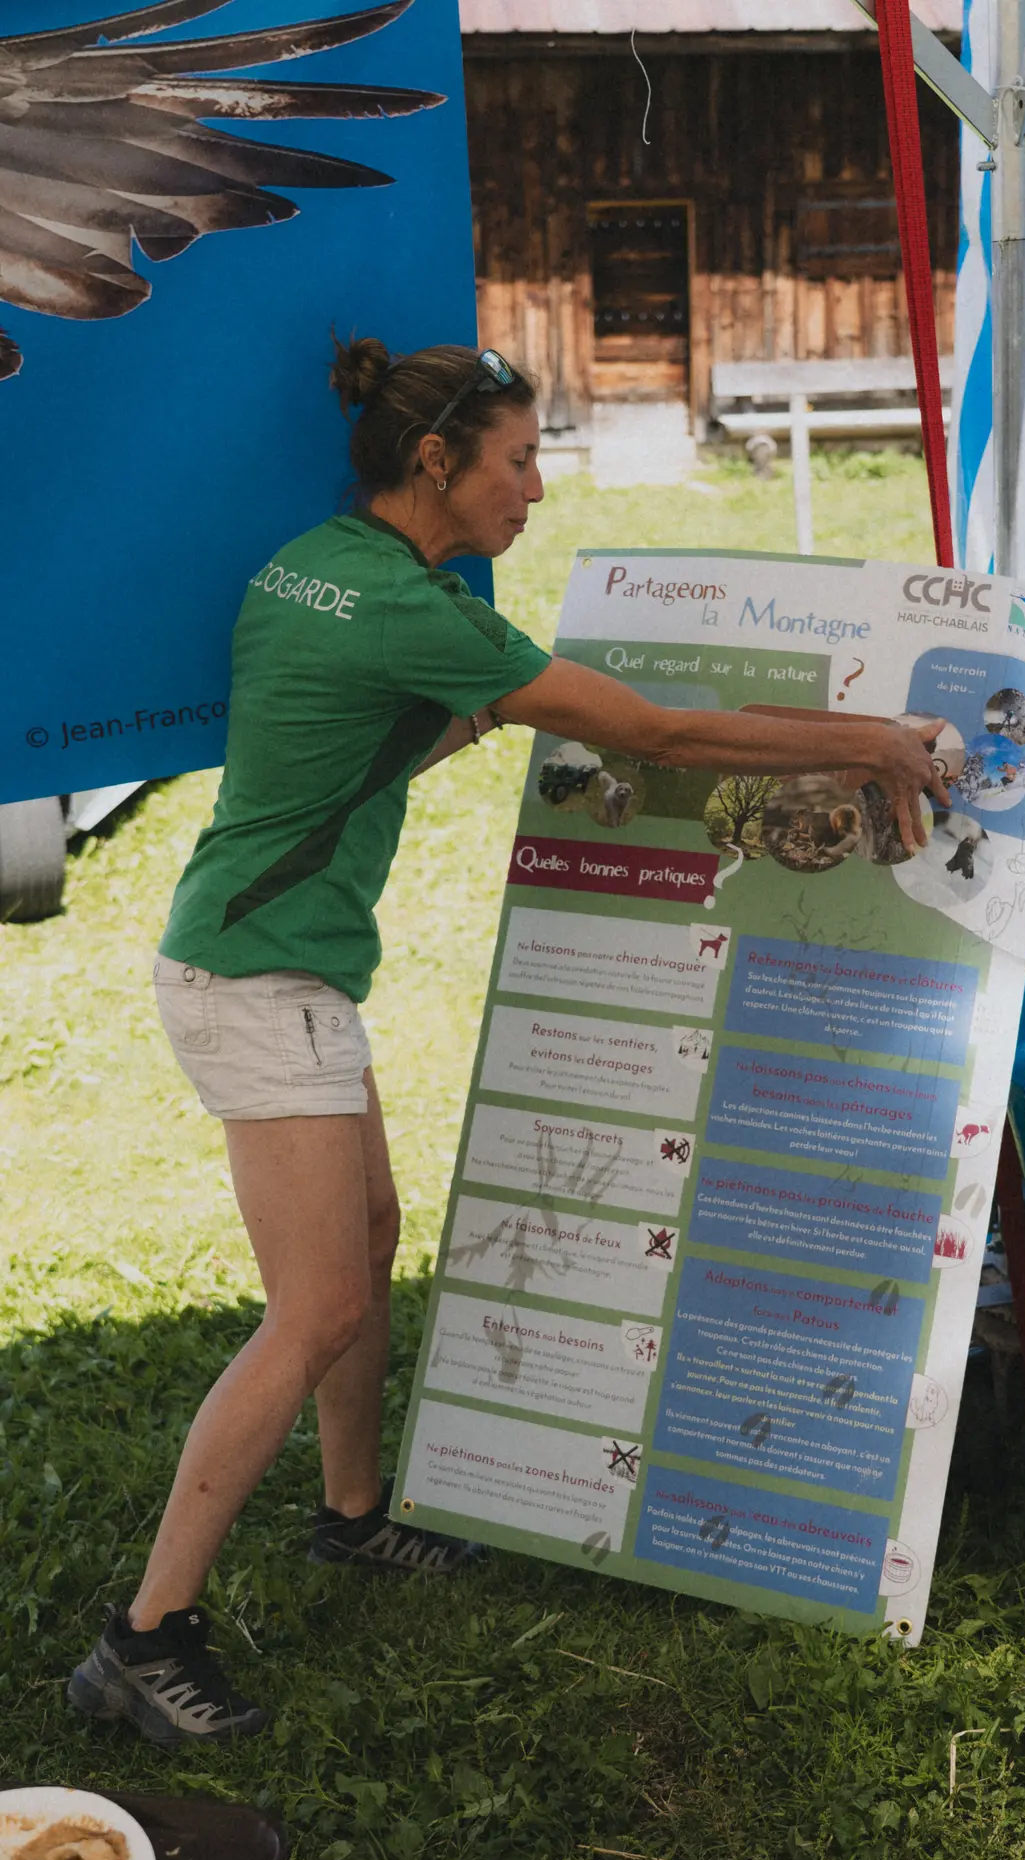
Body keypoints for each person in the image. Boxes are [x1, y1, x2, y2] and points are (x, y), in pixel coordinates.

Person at [68, 338, 947, 1748]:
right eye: (520, 461)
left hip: (263, 957)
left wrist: (454, 720)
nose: (538, 489)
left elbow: (364, 725)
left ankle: (353, 1517)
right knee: (319, 1311)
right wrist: (873, 742)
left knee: (367, 1236)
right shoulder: (419, 616)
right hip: (255, 979)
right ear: (437, 464)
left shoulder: (320, 560)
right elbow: (658, 728)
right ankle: (144, 1633)